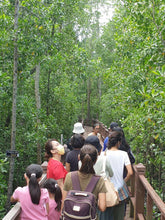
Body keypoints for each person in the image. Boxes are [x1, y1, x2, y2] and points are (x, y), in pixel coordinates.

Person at [63, 144, 107, 219]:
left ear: (79, 157)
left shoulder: (69, 176)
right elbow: (102, 207)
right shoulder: (99, 180)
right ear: (96, 160)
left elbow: (64, 202)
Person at [106, 131, 133, 220]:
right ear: (118, 142)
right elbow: (130, 172)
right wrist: (123, 181)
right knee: (120, 215)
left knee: (107, 214)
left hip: (107, 189)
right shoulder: (123, 154)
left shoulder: (104, 154)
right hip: (120, 189)